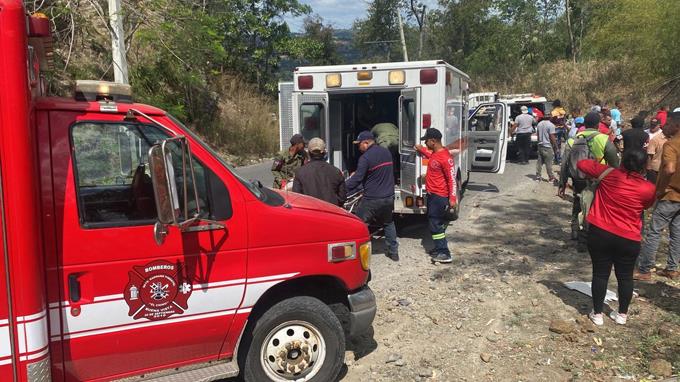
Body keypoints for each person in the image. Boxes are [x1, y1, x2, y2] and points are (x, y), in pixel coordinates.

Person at [578, 149, 655, 326]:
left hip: (600, 233)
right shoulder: (648, 189)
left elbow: (582, 164)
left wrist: (605, 165)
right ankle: (622, 315)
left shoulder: (608, 174)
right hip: (629, 238)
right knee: (625, 276)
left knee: (600, 273)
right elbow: (647, 205)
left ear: (622, 161)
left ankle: (597, 314)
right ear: (644, 167)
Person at [558, 112, 620, 251]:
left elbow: (564, 165)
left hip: (578, 179)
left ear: (584, 124)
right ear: (598, 124)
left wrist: (562, 184)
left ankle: (576, 232)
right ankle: (591, 238)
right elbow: (615, 164)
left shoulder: (572, 140)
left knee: (578, 204)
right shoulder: (603, 139)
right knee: (595, 208)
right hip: (597, 180)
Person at [635, 111, 680, 281]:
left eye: (667, 124)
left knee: (654, 231)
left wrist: (660, 190)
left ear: (676, 126)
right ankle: (672, 268)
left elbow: (669, 169)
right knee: (676, 232)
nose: (664, 127)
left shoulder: (671, 145)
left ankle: (645, 269)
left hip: (669, 194)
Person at [346, 131, 399, 261]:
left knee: (359, 224)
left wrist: (342, 187)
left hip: (372, 199)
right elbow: (377, 173)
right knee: (388, 223)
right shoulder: (386, 152)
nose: (358, 147)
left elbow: (357, 179)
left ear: (366, 143)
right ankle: (393, 252)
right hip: (388, 197)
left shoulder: (365, 158)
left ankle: (356, 254)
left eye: (359, 144)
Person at [415, 128, 457, 264]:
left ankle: (444, 252)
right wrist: (421, 149)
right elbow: (430, 157)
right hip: (433, 195)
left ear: (433, 141)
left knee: (435, 224)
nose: (425, 143)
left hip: (440, 197)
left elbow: (452, 179)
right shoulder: (435, 154)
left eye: (426, 141)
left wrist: (452, 198)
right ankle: (439, 248)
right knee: (435, 223)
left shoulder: (445, 158)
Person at [293, 138, 346, 207]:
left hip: (310, 214)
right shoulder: (336, 171)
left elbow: (296, 198)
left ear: (309, 153)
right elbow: (342, 198)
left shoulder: (300, 172)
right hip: (331, 214)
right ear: (324, 153)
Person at [535, 116, 558, 182]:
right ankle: (551, 177)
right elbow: (552, 136)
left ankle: (538, 176)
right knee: (549, 163)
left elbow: (538, 135)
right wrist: (556, 146)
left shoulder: (539, 124)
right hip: (547, 146)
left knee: (539, 162)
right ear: (550, 117)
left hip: (540, 145)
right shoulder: (551, 125)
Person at [551, 100, 567, 164]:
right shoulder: (563, 111)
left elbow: (552, 120)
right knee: (559, 144)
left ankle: (557, 159)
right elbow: (564, 119)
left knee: (555, 145)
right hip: (562, 129)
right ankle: (558, 158)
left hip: (556, 129)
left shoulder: (554, 112)